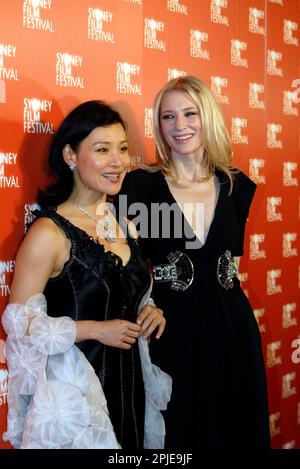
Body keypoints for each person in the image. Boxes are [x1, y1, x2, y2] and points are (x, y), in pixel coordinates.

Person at [1, 100, 171, 449]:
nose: (118, 161)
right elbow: (19, 325)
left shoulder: (126, 224)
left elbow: (127, 292)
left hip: (133, 393)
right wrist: (94, 330)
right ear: (70, 155)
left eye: (123, 149)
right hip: (79, 403)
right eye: (102, 149)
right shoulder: (48, 234)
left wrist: (149, 309)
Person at [117, 76, 270, 448]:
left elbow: (232, 264)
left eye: (190, 113)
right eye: (168, 117)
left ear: (208, 117)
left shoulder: (237, 187)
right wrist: (146, 302)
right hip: (170, 326)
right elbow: (124, 264)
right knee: (179, 431)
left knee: (234, 428)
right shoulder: (138, 187)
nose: (179, 126)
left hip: (232, 327)